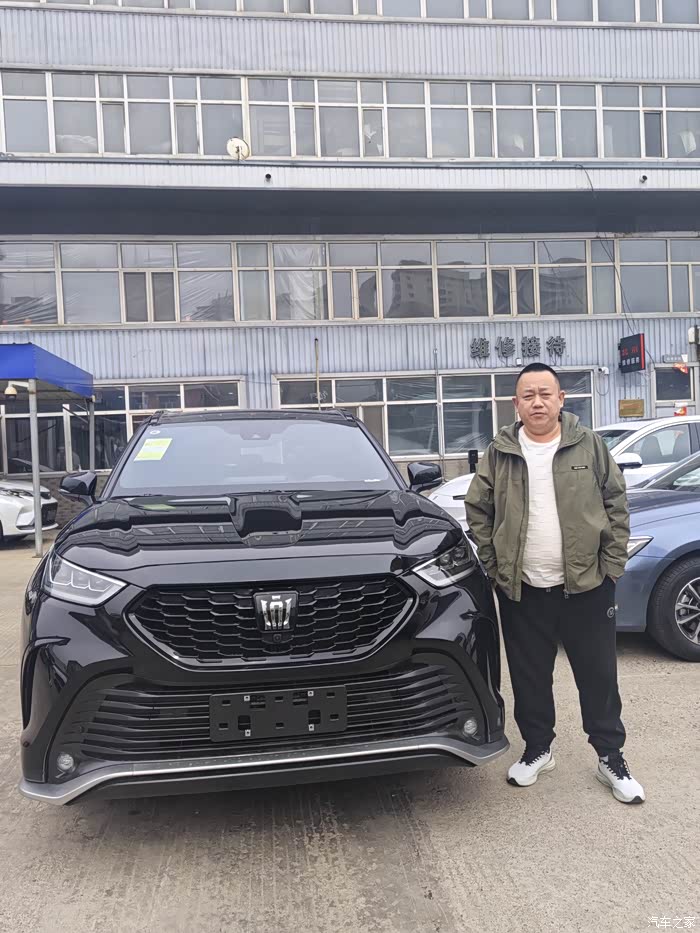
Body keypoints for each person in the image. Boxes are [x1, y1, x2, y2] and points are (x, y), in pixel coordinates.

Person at [465, 363, 645, 804]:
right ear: (516, 403)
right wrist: (494, 566)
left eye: (545, 393)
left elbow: (616, 503)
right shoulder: (500, 451)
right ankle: (538, 750)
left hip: (587, 586)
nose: (538, 402)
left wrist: (612, 566)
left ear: (561, 399)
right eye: (528, 395)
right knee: (529, 677)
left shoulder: (589, 445)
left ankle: (610, 756)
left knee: (598, 676)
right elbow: (478, 510)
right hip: (523, 589)